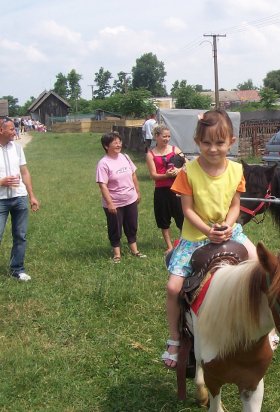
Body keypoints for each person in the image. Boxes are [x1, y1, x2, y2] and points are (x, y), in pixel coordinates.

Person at [161, 109, 258, 368]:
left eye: (219, 142)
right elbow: (187, 210)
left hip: (229, 229)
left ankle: (262, 325)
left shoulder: (236, 170)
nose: (213, 149)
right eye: (206, 143)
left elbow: (235, 205)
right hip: (195, 236)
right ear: (197, 142)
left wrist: (229, 225)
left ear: (231, 142)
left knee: (261, 267)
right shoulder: (188, 172)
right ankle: (174, 338)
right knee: (173, 288)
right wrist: (207, 231)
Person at [96, 131, 146, 263]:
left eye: (120, 142)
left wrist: (137, 192)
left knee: (132, 225)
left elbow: (133, 175)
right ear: (106, 146)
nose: (119, 145)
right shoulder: (103, 163)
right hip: (115, 202)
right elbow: (102, 185)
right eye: (115, 143)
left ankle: (135, 251)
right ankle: (117, 255)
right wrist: (110, 203)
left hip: (130, 199)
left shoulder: (125, 157)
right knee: (115, 228)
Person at [0, 117, 40, 281]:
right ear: (1, 130)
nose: (15, 132)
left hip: (19, 198)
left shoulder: (17, 148)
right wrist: (1, 182)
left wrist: (32, 196)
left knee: (20, 236)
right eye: (11, 129)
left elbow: (25, 172)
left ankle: (17, 269)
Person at [145, 125, 185, 254]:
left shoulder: (175, 150)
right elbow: (153, 175)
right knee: (163, 219)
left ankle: (183, 243)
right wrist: (166, 175)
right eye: (164, 136)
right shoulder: (150, 154)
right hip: (161, 191)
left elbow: (188, 164)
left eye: (168, 136)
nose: (167, 139)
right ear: (156, 136)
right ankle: (169, 246)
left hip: (177, 189)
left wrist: (179, 170)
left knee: (182, 217)